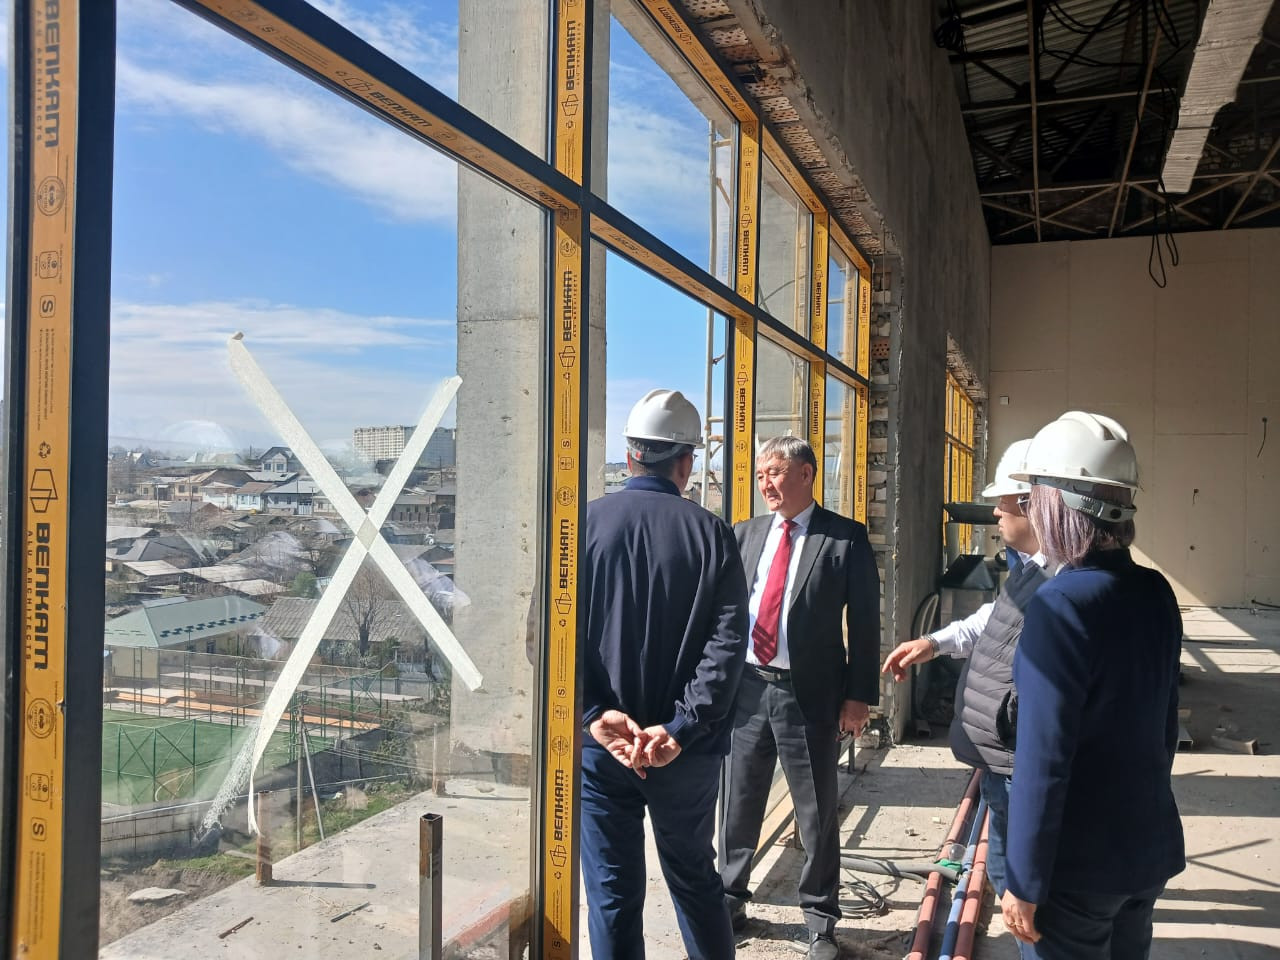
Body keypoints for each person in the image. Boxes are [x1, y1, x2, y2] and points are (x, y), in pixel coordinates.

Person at [999, 412, 1185, 959]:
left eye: (1033, 497)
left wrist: (1024, 880)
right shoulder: (1155, 590)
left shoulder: (1061, 604)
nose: (1029, 509)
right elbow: (1164, 729)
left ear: (1059, 505)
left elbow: (1044, 757)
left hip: (1076, 869)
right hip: (1144, 849)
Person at [580, 388, 748, 960]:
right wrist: (680, 728)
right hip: (685, 753)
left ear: (630, 455)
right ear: (686, 461)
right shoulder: (711, 533)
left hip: (603, 750)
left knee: (610, 894)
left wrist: (594, 714)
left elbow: (546, 639)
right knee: (696, 882)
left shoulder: (580, 526)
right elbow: (727, 648)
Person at [719, 436, 880, 960]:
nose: (765, 483)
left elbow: (865, 624)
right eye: (760, 474)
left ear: (806, 474)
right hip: (747, 691)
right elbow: (726, 613)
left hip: (807, 698)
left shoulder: (844, 538)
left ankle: (819, 920)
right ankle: (729, 902)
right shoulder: (744, 534)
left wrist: (858, 698)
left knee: (816, 813)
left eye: (774, 472)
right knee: (739, 802)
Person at [881, 438, 1049, 898]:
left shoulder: (1062, 581)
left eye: (1002, 502)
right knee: (1004, 861)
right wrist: (933, 643)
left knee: (1023, 874)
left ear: (1032, 505)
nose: (995, 512)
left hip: (1021, 759)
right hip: (1001, 756)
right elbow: (993, 618)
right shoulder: (1032, 569)